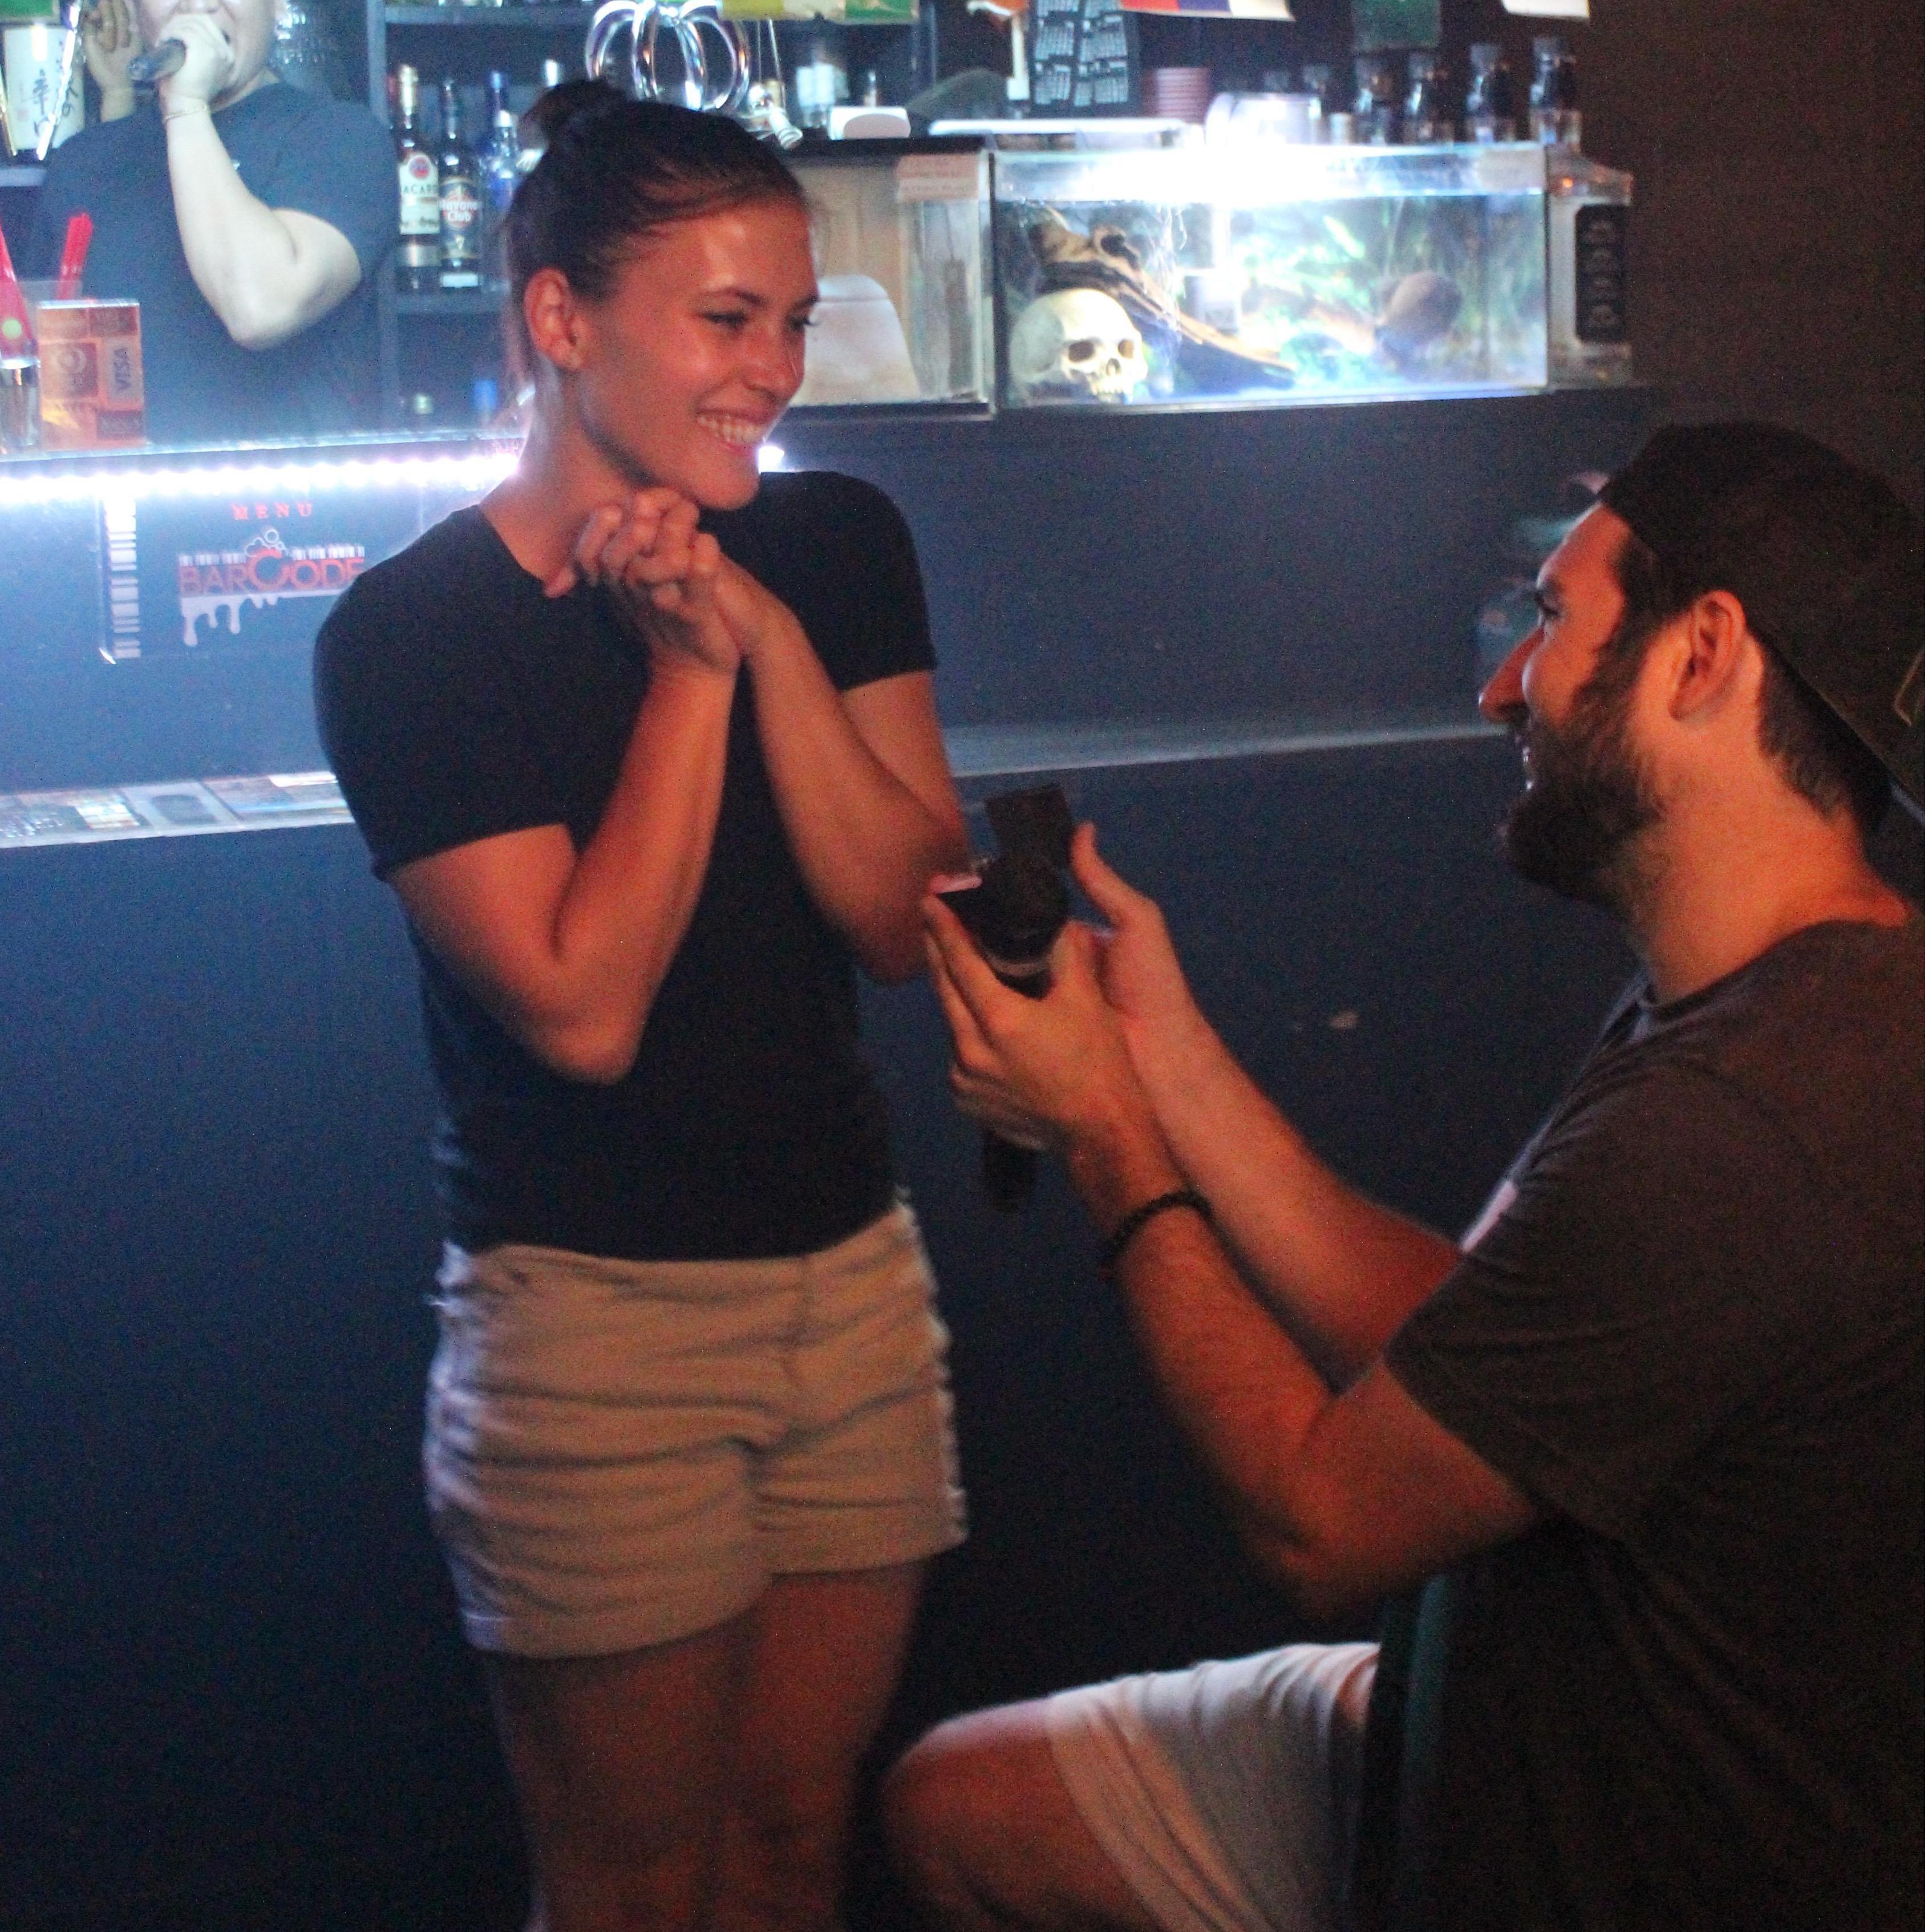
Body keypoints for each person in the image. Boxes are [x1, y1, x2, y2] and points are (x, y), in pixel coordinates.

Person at [889, 423, 1922, 1932]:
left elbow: (1315, 1519)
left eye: (1553, 621)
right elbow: (1465, 1339)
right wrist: (1160, 1058)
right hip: (1498, 1689)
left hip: (1618, 1833)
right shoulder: (1794, 991)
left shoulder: (1735, 1130)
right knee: (961, 1807)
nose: (1504, 685)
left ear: (1701, 654)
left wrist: (1105, 1133)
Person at [313, 88, 970, 1932]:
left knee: (790, 1849)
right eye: (725, 318)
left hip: (852, 1284)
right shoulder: (414, 631)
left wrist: (759, 630)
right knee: (631, 1888)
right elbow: (584, 1011)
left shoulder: (833, 543)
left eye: (791, 320)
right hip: (593, 1329)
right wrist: (690, 676)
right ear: (560, 317)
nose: (774, 370)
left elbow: (899, 918)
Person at [22, 0, 394, 443]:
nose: (198, 6)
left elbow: (260, 309)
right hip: (119, 485)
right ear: (136, 12)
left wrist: (185, 106)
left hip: (274, 484)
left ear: (277, 6)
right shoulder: (84, 162)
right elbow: (37, 352)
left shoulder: (339, 137)